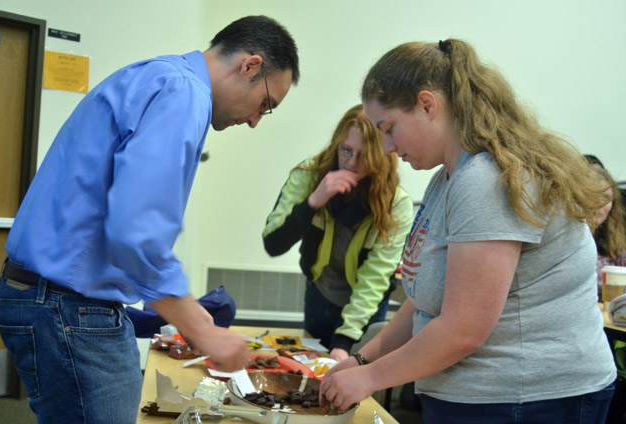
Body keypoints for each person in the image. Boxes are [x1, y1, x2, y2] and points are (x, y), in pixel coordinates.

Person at [0, 15, 299, 423]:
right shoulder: (184, 92)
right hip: (68, 308)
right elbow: (136, 229)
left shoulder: (155, 75)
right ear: (250, 66)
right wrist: (199, 327)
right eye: (265, 104)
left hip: (49, 297)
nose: (256, 119)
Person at [319, 39, 617, 423]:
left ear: (428, 105)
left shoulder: (486, 179)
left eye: (389, 129)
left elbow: (464, 328)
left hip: (530, 399)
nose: (388, 147)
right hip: (491, 397)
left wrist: (370, 378)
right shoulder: (448, 178)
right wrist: (363, 359)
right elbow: (429, 299)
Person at [262, 104, 413, 362]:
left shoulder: (395, 203)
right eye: (346, 151)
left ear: (380, 156)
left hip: (365, 309)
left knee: (350, 382)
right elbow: (273, 243)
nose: (352, 163)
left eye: (363, 156)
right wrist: (313, 202)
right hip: (319, 297)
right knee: (307, 377)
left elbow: (374, 279)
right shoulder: (309, 175)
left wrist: (344, 342)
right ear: (337, 145)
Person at [585, 161, 626, 299]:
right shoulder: (565, 240)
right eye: (594, 195)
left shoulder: (611, 239)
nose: (600, 204)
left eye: (606, 198)